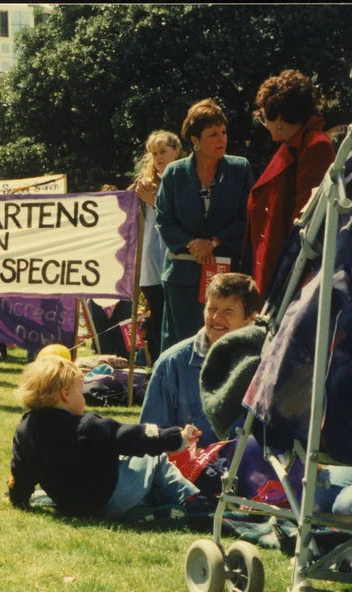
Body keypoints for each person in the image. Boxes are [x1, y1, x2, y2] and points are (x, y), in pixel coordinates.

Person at [9, 355, 201, 519]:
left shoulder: (25, 430)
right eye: (80, 390)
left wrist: (19, 499)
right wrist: (177, 437)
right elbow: (134, 437)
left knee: (125, 467)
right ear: (65, 394)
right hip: (110, 498)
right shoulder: (87, 427)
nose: (83, 396)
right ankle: (191, 501)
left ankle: (145, 508)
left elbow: (21, 472)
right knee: (156, 459)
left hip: (72, 506)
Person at [155, 99, 254, 351]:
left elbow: (247, 218)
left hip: (225, 276)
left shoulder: (239, 169)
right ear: (195, 140)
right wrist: (195, 246)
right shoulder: (174, 174)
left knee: (221, 343)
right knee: (182, 345)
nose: (221, 139)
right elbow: (164, 221)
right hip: (183, 276)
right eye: (212, 134)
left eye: (223, 132)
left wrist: (213, 242)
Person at [140, 272, 261, 443]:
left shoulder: (265, 362)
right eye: (212, 309)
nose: (217, 318)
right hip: (190, 467)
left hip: (249, 467)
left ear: (250, 318)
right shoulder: (172, 363)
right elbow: (151, 436)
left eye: (228, 311)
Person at [245, 69, 336, 295]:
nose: (263, 122)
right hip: (276, 260)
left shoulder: (315, 146)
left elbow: (305, 221)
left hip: (290, 272)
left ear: (279, 118)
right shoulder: (296, 143)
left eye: (263, 115)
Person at [132, 130, 183, 362]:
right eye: (154, 153)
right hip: (151, 266)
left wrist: (155, 203)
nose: (158, 158)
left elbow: (183, 219)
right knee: (156, 319)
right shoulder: (147, 184)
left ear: (177, 152)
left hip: (174, 263)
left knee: (173, 322)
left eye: (163, 151)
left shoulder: (184, 180)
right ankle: (156, 369)